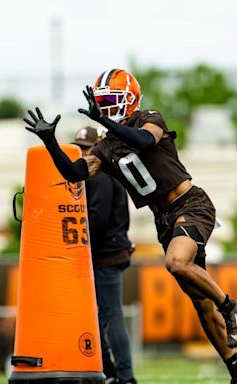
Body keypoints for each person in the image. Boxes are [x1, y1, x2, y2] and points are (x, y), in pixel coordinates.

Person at [24, 68, 237, 383]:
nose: (104, 108)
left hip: (190, 204)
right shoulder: (105, 147)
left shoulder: (149, 117)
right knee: (200, 301)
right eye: (101, 103)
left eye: (110, 101)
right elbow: (75, 173)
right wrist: (50, 141)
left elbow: (144, 141)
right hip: (163, 219)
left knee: (175, 263)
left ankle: (230, 306)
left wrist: (104, 123)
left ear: (130, 100)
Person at [72, 126, 136, 384]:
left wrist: (75, 244)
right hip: (107, 254)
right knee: (101, 317)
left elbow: (95, 221)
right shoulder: (105, 175)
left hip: (105, 256)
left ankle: (124, 376)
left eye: (86, 148)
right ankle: (110, 370)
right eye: (78, 148)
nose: (82, 153)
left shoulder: (99, 177)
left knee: (111, 316)